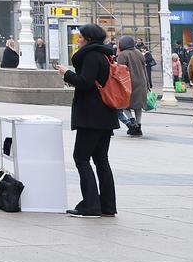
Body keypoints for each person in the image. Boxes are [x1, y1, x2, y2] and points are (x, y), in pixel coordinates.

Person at [59, 22, 118, 217]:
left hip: (92, 117)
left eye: (81, 37)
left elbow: (85, 83)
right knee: (101, 160)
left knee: (81, 158)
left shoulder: (91, 56)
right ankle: (108, 206)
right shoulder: (104, 54)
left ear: (89, 39)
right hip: (105, 115)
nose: (78, 40)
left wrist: (66, 73)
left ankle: (91, 205)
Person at [118, 36, 148, 137]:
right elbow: (144, 68)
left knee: (125, 105)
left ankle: (132, 123)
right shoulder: (139, 53)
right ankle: (139, 126)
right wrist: (148, 84)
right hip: (142, 82)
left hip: (129, 83)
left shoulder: (123, 54)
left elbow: (120, 71)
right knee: (138, 106)